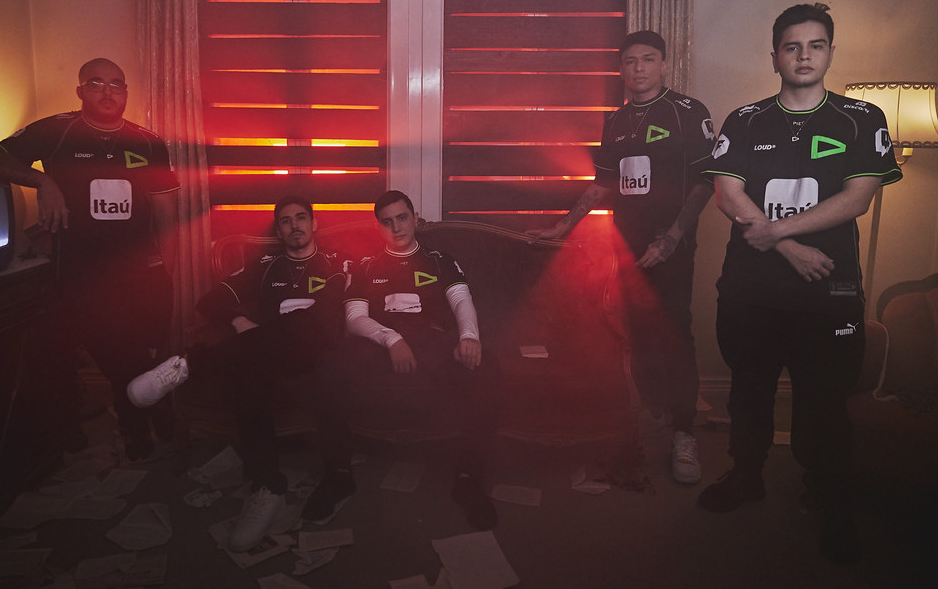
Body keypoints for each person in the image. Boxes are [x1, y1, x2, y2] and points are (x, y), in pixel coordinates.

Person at [698, 3, 902, 563]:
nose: (804, 56)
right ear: (775, 57)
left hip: (827, 293)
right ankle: (746, 476)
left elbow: (858, 198)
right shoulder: (744, 120)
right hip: (750, 291)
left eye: (815, 45)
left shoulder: (862, 118)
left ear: (830, 53)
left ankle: (831, 499)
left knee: (824, 404)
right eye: (792, 47)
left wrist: (775, 230)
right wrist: (786, 244)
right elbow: (727, 193)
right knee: (749, 392)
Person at [529, 31, 716, 484]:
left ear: (664, 64)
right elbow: (603, 184)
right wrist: (563, 226)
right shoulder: (615, 121)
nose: (639, 69)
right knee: (637, 333)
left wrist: (671, 238)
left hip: (670, 247)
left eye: (648, 59)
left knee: (675, 335)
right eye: (630, 61)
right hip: (627, 247)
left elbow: (705, 181)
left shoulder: (688, 112)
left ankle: (684, 433)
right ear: (621, 70)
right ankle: (652, 415)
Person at [0, 58, 180, 462]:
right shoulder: (56, 131)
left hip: (141, 272)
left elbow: (167, 216)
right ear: (81, 90)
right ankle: (138, 421)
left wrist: (166, 273)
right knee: (117, 351)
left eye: (117, 84)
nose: (107, 92)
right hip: (81, 272)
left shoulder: (148, 142)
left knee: (151, 350)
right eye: (97, 83)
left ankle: (152, 409)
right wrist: (42, 180)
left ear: (125, 93)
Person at [127, 196, 355, 552]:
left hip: (317, 350)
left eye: (301, 218)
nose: (294, 226)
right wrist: (238, 320)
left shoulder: (335, 262)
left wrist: (262, 332)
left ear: (314, 224)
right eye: (286, 221)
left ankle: (190, 364)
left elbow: (326, 317)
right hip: (269, 352)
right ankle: (267, 487)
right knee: (252, 373)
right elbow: (209, 301)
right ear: (279, 230)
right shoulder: (265, 266)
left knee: (304, 322)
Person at [342, 190, 500, 530]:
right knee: (331, 367)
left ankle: (469, 478)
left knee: (485, 368)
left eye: (402, 218)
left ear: (415, 219)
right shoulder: (365, 264)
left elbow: (461, 300)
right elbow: (354, 318)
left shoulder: (440, 259)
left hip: (431, 339)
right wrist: (392, 339)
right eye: (387, 222)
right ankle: (337, 475)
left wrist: (468, 337)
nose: (396, 227)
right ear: (378, 228)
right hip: (382, 341)